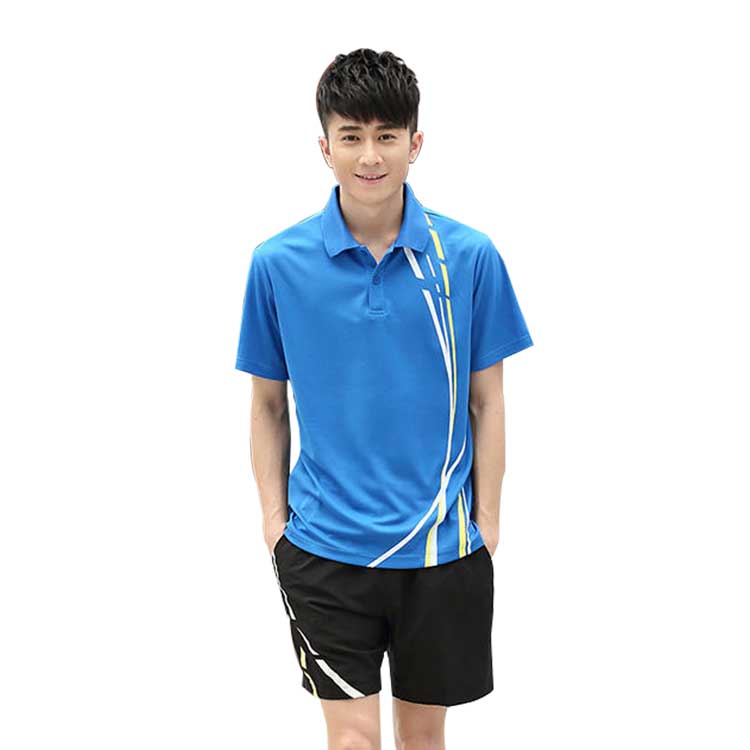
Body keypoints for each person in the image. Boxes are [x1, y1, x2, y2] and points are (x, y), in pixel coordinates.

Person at [235, 48, 533, 750]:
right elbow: (268, 406)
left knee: (423, 741)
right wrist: (275, 524)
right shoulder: (276, 264)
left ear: (414, 143)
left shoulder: (469, 257)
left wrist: (487, 522)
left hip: (442, 548)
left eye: (386, 136)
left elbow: (488, 403)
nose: (370, 156)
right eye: (351, 136)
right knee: (353, 741)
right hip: (324, 548)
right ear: (325, 147)